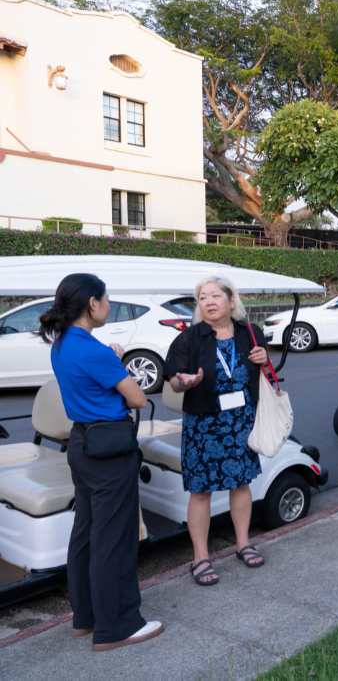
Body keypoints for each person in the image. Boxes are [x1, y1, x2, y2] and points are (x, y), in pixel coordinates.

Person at [41, 273, 163, 651]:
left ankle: (86, 617)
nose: (108, 305)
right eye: (106, 299)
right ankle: (118, 626)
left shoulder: (62, 344)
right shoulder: (94, 351)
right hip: (109, 448)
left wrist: (109, 361)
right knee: (115, 539)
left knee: (87, 532)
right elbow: (138, 398)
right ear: (92, 303)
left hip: (82, 443)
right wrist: (116, 362)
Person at [165, 277, 269, 585]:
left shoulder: (250, 333)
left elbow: (262, 371)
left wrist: (264, 359)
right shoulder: (190, 338)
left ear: (231, 300)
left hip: (241, 421)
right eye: (202, 297)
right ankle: (200, 557)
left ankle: (243, 543)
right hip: (204, 424)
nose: (209, 301)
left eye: (215, 295)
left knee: (241, 484)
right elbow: (173, 379)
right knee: (201, 491)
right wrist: (183, 382)